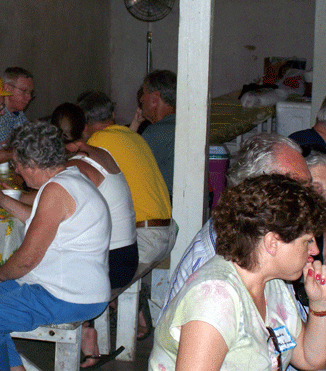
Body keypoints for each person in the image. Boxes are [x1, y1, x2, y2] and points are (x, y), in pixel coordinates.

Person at [0, 121, 111, 371]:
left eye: (17, 165)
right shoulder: (68, 179)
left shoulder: (57, 190)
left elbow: (26, 260)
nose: (17, 171)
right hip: (64, 287)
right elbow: (37, 219)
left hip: (68, 295)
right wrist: (1, 199)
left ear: (31, 164)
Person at [149, 174, 326, 371]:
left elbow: (310, 359)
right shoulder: (214, 299)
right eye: (307, 241)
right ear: (272, 243)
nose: (315, 251)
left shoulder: (272, 283)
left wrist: (320, 302)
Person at [163, 133, 312, 310]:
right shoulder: (217, 270)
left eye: (308, 187)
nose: (307, 198)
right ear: (259, 189)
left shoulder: (262, 238)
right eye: (296, 188)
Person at [51, 102, 138, 368]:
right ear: (85, 129)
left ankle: (84, 336)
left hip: (113, 265)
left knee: (50, 258)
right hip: (128, 256)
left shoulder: (77, 167)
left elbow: (47, 201)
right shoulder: (101, 154)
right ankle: (89, 334)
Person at [77, 91, 175, 265]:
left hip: (146, 238)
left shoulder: (96, 142)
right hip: (167, 232)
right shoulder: (133, 136)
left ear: (83, 124)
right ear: (112, 115)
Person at [130, 70, 177, 196]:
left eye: (144, 93)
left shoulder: (157, 132)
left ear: (155, 99)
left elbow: (128, 171)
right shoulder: (180, 126)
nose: (141, 99)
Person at [0, 67, 35, 144]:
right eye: (24, 91)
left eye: (30, 93)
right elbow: (7, 151)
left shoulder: (18, 113)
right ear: (7, 88)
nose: (29, 97)